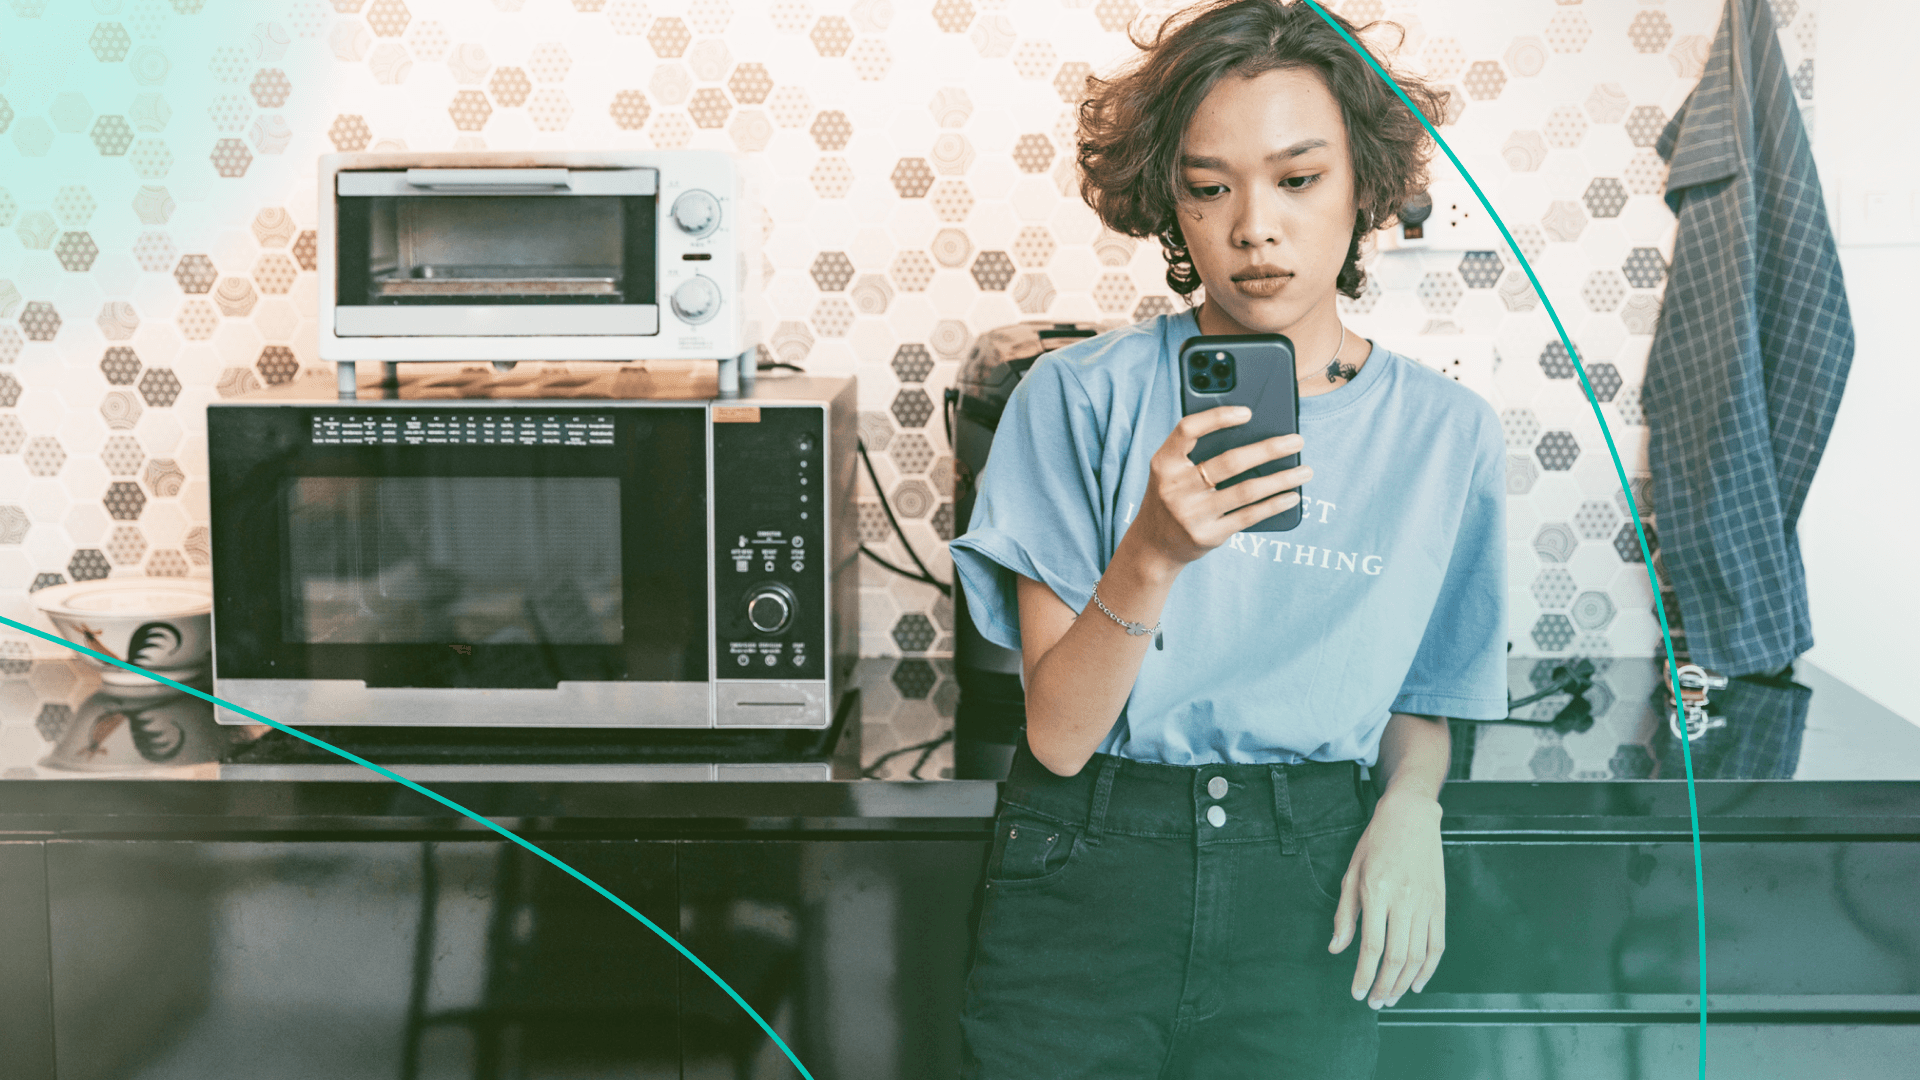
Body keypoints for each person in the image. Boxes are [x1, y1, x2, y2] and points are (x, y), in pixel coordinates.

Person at [946, 2, 1511, 1076]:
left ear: (1366, 187)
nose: (1255, 226)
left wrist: (1411, 809)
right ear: (1173, 205)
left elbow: (1423, 704)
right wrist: (1152, 552)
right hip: (1086, 871)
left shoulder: (1447, 437)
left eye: (1298, 180)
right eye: (1211, 188)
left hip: (1312, 880)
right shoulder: (1077, 398)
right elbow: (1059, 735)